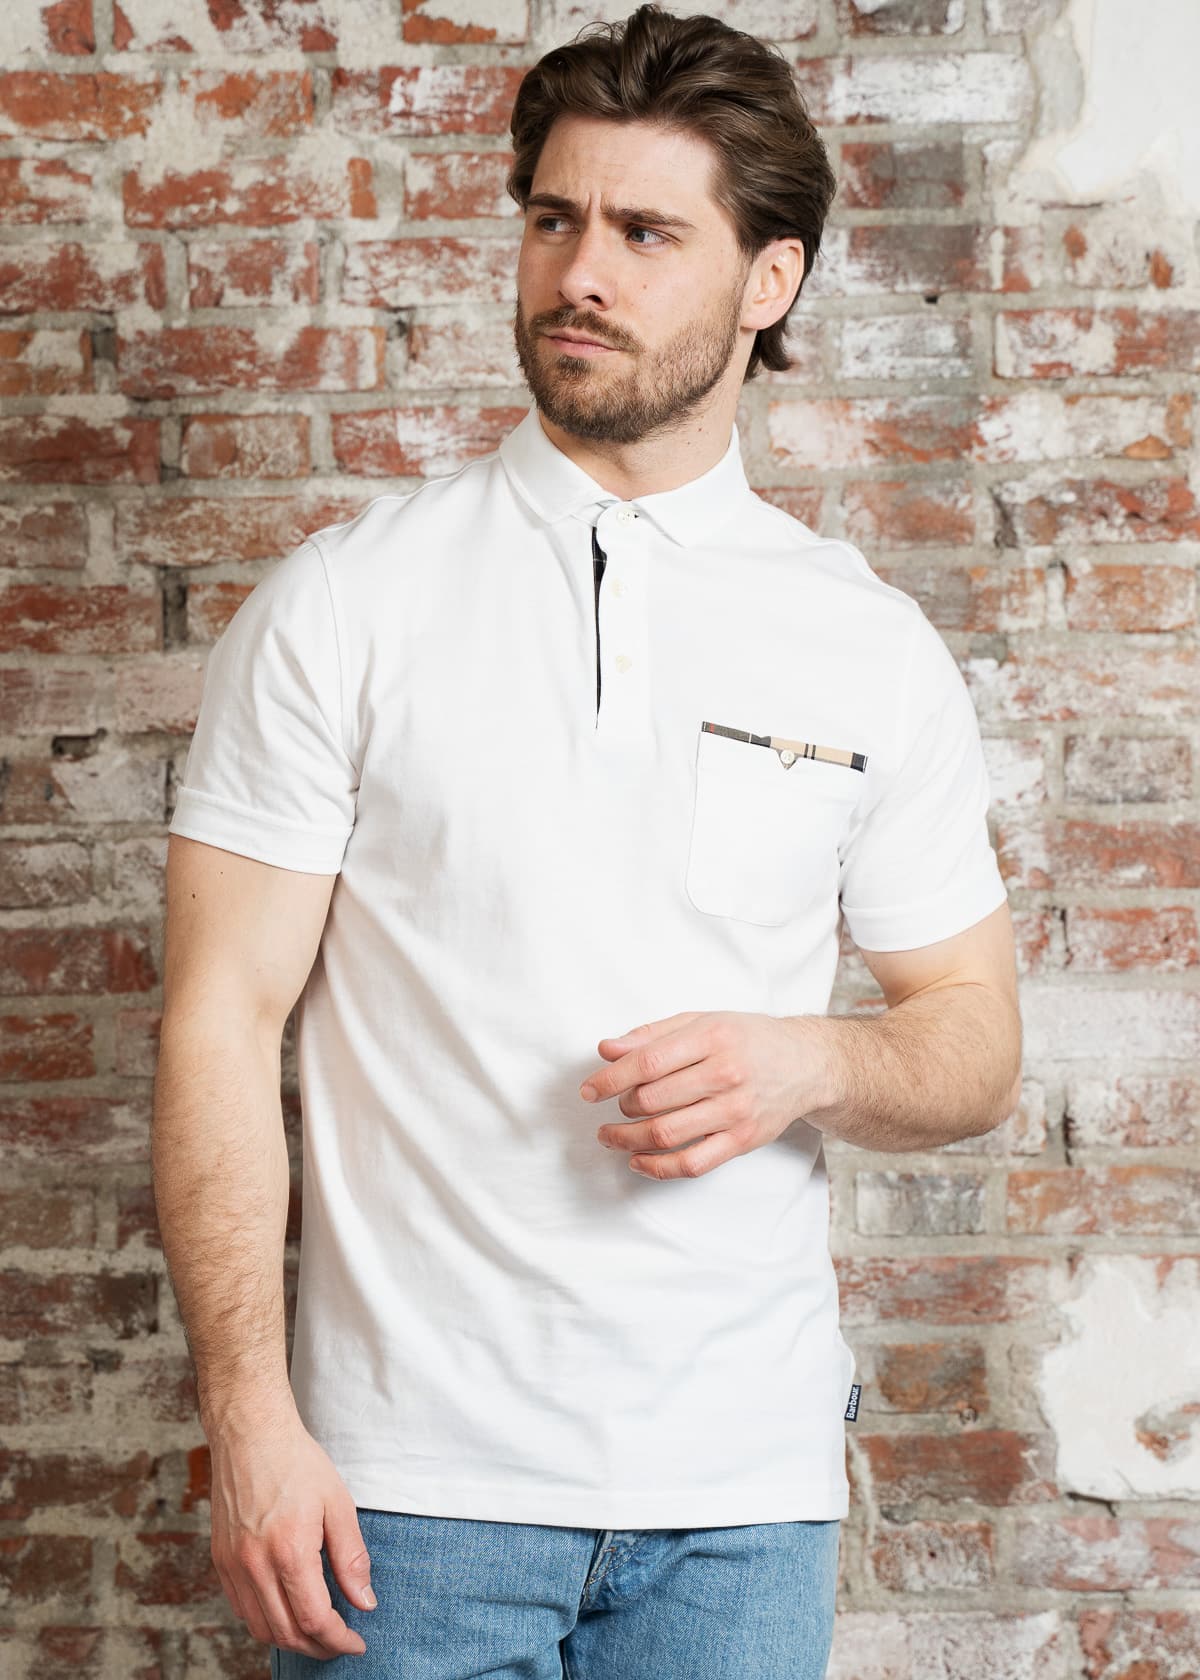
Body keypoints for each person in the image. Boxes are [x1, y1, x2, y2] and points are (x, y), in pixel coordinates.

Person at [152, 5, 1022, 1676]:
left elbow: (974, 1038)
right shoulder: (346, 604)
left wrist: (810, 1061)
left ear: (769, 281)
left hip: (742, 1508)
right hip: (404, 1500)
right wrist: (249, 1418)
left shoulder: (866, 643)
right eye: (554, 220)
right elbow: (217, 1020)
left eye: (646, 233)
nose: (580, 275)